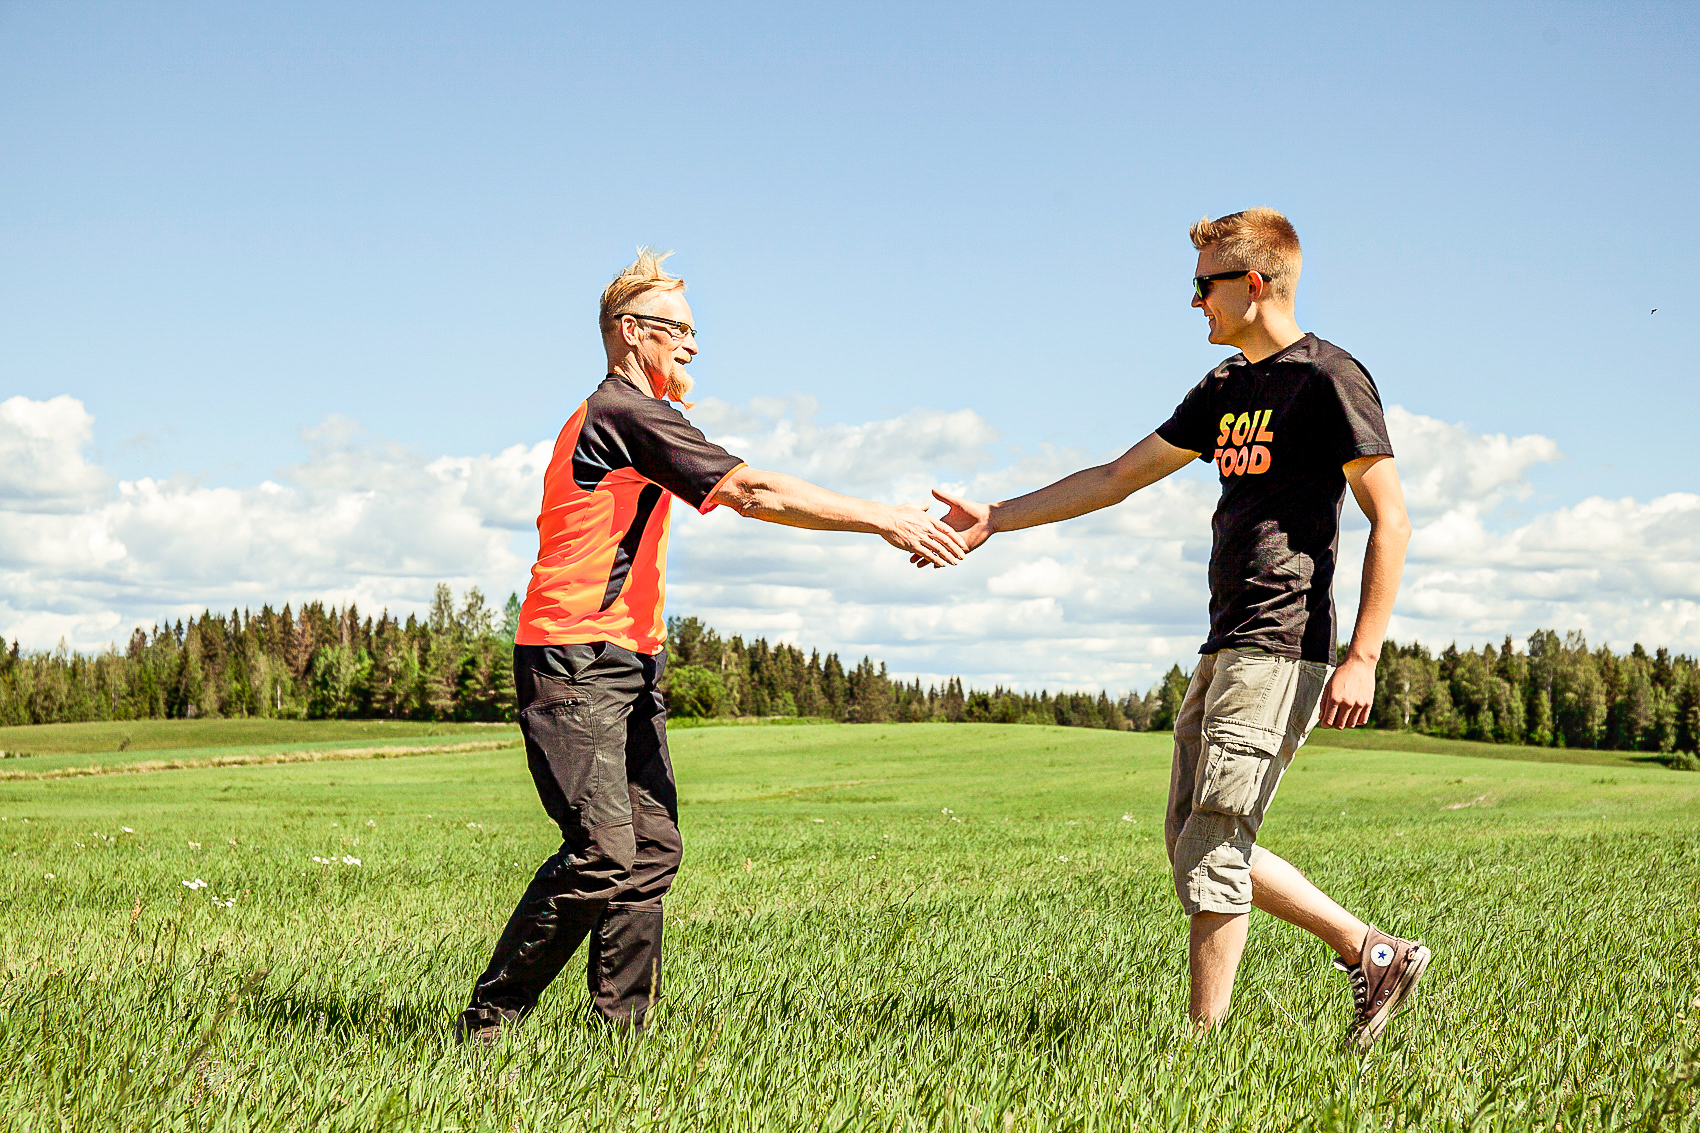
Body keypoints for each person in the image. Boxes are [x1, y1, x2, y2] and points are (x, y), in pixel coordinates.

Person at [929, 209, 1430, 1051]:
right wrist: (997, 516)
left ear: (1254, 285)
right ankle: (1372, 952)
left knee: (1215, 842)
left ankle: (1199, 1049)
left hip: (1281, 641)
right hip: (1226, 640)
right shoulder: (1226, 390)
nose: (1195, 301)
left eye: (1205, 285)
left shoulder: (1328, 379)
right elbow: (1121, 476)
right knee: (1194, 842)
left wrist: (1364, 655)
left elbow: (1395, 521)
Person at [456, 248, 968, 1042]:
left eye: (697, 331)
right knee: (600, 849)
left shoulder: (650, 417)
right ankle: (489, 1024)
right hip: (572, 654)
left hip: (628, 658)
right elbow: (753, 491)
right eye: (679, 330)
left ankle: (621, 1037)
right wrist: (885, 517)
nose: (694, 345)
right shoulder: (622, 412)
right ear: (631, 333)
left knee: (650, 844)